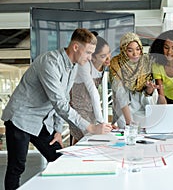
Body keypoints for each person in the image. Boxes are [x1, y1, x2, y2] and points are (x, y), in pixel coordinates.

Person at [1, 28, 112, 190]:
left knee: (59, 158)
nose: (90, 58)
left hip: (41, 121)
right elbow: (59, 102)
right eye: (88, 53)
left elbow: (64, 97)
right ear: (75, 47)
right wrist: (90, 127)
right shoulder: (50, 62)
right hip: (20, 118)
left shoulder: (73, 66)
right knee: (17, 167)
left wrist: (58, 130)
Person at [109, 32, 158, 129]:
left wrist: (149, 90)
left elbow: (149, 97)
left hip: (143, 111)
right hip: (124, 112)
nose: (135, 54)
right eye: (130, 50)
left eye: (138, 49)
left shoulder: (146, 62)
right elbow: (120, 94)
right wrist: (129, 122)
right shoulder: (116, 64)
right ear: (123, 50)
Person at [69, 32, 111, 144]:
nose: (107, 58)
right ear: (92, 56)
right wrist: (101, 121)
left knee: (86, 139)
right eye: (103, 56)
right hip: (78, 107)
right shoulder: (84, 65)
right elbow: (93, 91)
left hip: (91, 108)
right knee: (84, 139)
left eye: (108, 53)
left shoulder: (102, 66)